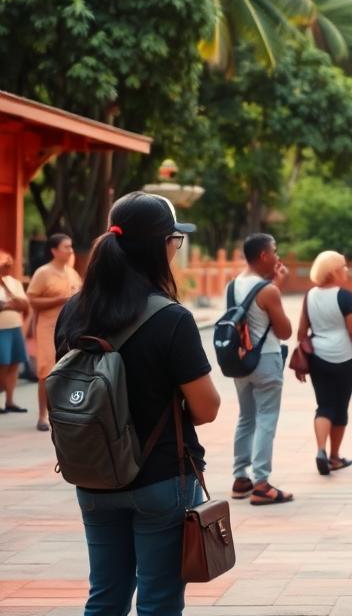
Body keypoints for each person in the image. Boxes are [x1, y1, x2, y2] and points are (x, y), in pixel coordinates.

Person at [54, 192, 220, 616]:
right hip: (159, 477)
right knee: (158, 602)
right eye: (175, 241)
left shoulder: (74, 311)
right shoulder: (171, 318)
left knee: (105, 597)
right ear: (161, 245)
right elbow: (206, 408)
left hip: (93, 477)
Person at [229, 233, 293, 505]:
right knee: (266, 417)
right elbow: (285, 331)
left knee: (247, 417)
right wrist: (278, 288)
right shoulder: (268, 290)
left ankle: (241, 477)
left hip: (241, 360)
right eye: (275, 251)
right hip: (265, 358)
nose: (278, 257)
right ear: (264, 255)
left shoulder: (232, 285)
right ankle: (262, 482)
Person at [294, 251, 352, 475]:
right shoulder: (345, 296)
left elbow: (301, 331)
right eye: (343, 267)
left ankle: (320, 450)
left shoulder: (310, 295)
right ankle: (334, 457)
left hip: (318, 358)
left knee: (324, 405)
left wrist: (303, 359)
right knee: (341, 407)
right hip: (344, 358)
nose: (347, 270)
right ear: (333, 271)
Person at [27, 233, 82, 431]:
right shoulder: (43, 272)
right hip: (48, 328)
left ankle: (62, 412)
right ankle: (42, 415)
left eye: (71, 246)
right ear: (54, 250)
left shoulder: (71, 272)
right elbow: (32, 300)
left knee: (66, 370)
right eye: (66, 247)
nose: (70, 250)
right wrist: (59, 300)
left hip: (69, 328)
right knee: (46, 372)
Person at [0, 250, 30, 413]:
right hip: (1, 329)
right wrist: (10, 304)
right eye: (4, 262)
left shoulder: (14, 282)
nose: (8, 265)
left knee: (14, 364)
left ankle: (10, 401)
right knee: (2, 364)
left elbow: (24, 305)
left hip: (15, 327)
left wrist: (7, 304)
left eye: (10, 262)